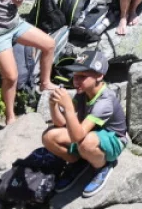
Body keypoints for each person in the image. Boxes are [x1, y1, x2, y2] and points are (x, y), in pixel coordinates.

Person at [43, 50, 128, 198]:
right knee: (49, 137)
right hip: (87, 134)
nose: (76, 81)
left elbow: (77, 137)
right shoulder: (83, 92)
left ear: (99, 76)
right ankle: (79, 163)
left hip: (113, 139)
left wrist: (69, 108)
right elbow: (61, 123)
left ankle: (102, 166)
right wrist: (53, 106)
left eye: (82, 76)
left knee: (85, 143)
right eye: (75, 76)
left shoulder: (105, 101)